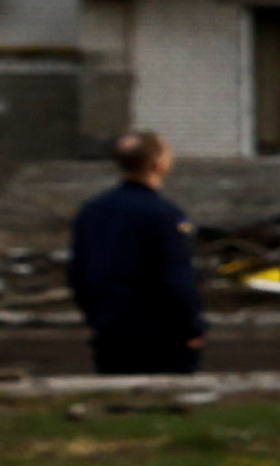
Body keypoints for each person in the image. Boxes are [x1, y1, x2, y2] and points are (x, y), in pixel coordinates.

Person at [69, 131, 204, 377]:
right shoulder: (164, 215)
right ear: (159, 164)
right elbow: (175, 278)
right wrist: (191, 327)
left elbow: (79, 273)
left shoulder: (92, 211)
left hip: (110, 330)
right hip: (161, 336)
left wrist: (95, 317)